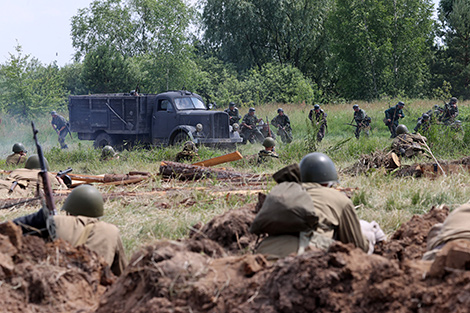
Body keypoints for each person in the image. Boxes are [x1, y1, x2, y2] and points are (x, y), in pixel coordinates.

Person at [255, 153, 370, 259]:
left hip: (263, 254)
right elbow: (357, 246)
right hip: (306, 256)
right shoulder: (338, 198)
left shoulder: (283, 194)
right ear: (327, 183)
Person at [12, 184, 127, 276]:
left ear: (69, 208)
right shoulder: (112, 231)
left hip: (59, 286)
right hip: (95, 289)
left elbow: (14, 227)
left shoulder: (57, 222)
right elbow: (122, 274)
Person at [0, 155, 65, 197]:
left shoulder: (17, 170)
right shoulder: (47, 175)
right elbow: (63, 191)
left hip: (6, 186)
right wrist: (61, 182)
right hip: (22, 192)